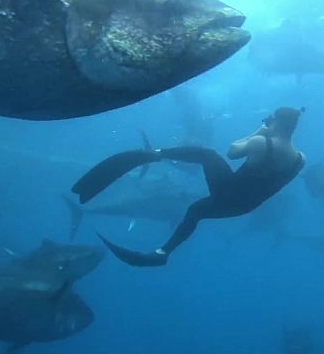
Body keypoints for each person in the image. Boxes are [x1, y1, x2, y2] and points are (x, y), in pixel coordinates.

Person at [71, 107, 307, 267]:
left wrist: (259, 130)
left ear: (276, 122)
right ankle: (162, 253)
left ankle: (154, 154)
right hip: (244, 205)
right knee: (196, 210)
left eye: (270, 120)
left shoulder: (261, 142)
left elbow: (233, 151)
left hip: (229, 192)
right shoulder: (300, 159)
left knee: (207, 155)